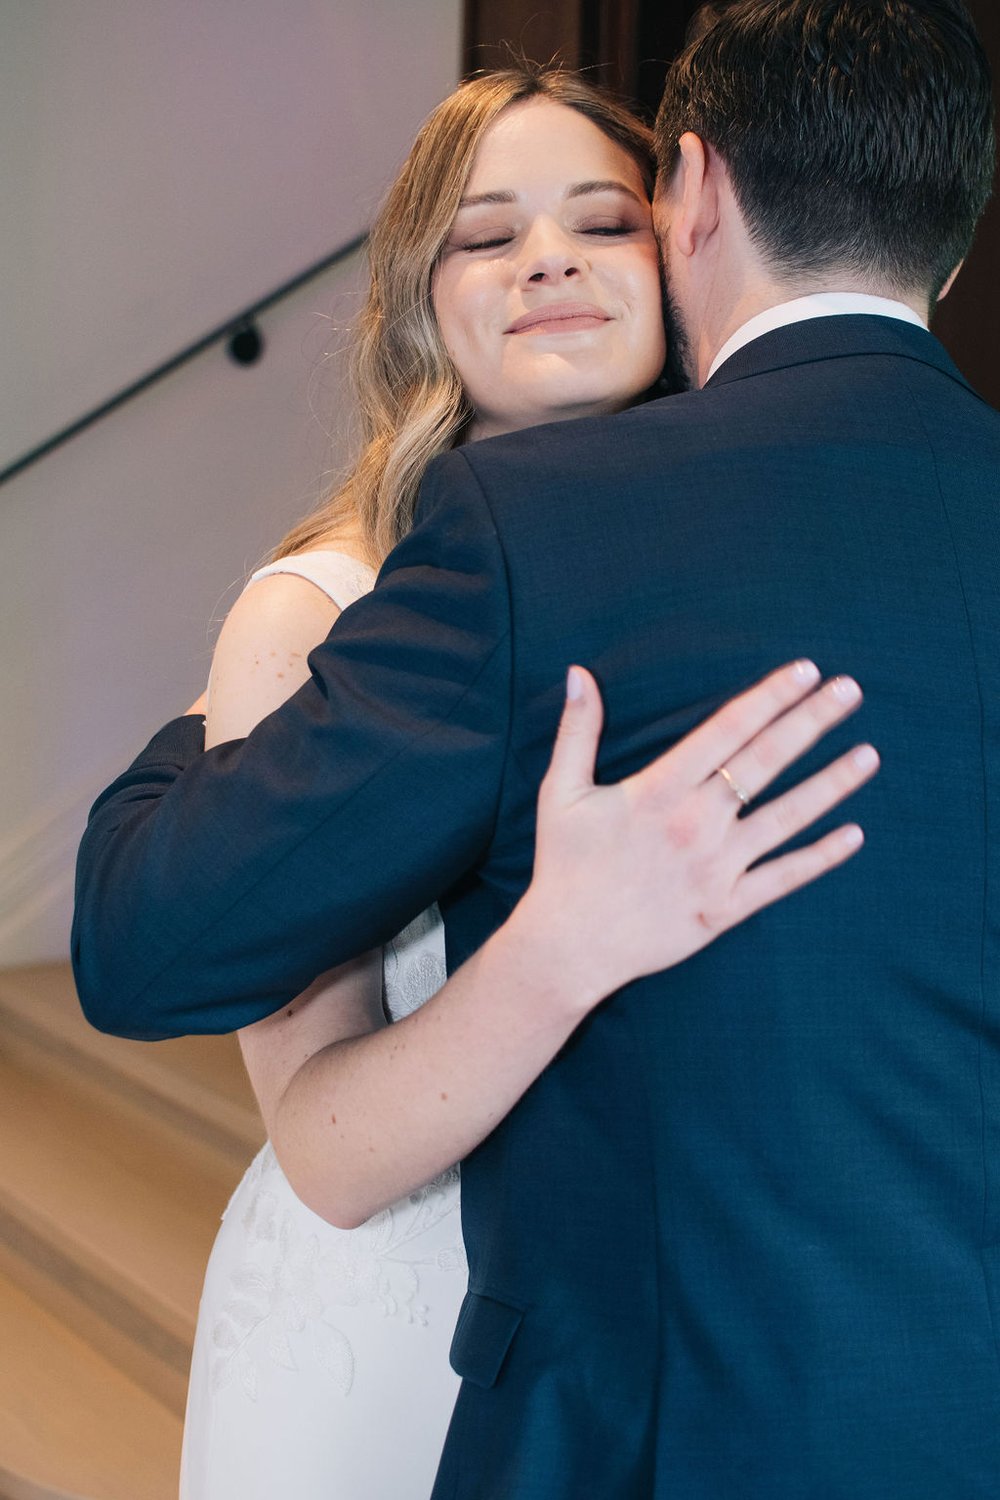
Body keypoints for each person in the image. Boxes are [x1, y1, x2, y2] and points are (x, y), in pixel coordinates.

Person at [72, 1, 1000, 1494]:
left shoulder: (596, 535)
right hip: (429, 1332)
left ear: (684, 212)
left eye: (598, 219)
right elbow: (241, 1046)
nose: (551, 261)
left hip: (658, 1390)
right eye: (486, 236)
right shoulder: (331, 605)